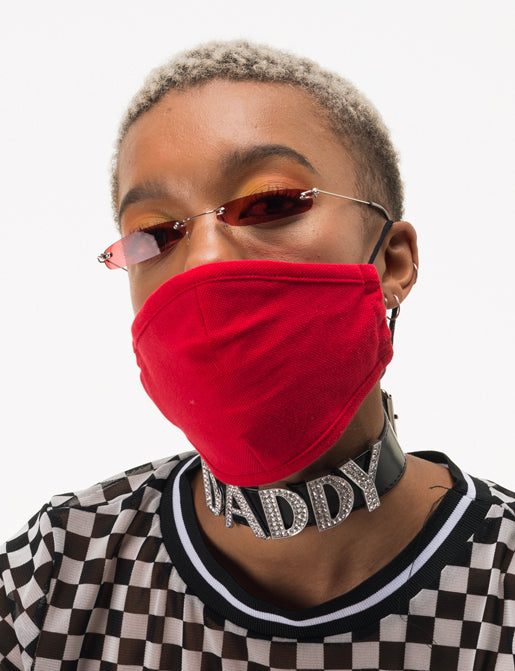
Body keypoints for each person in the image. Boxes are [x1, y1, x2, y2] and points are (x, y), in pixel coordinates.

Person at [1, 40, 513, 671]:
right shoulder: (57, 571)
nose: (204, 262)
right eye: (154, 235)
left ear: (391, 260)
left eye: (271, 202)